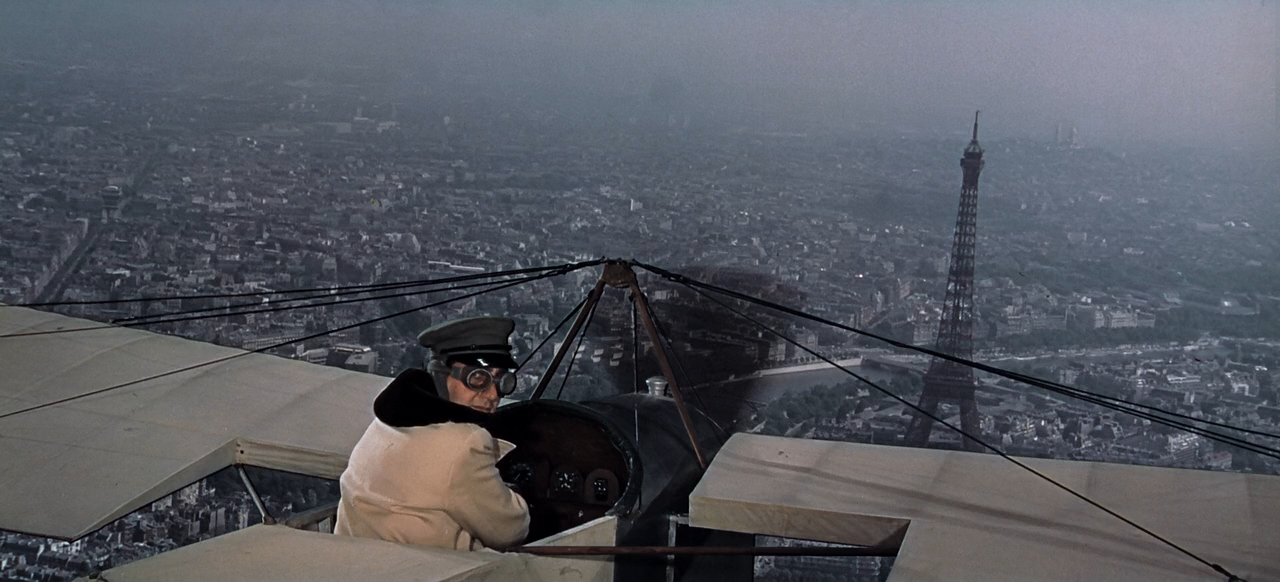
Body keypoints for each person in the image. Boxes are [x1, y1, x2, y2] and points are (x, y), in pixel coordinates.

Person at [334, 316, 530, 551]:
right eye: (478, 378)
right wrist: (515, 497)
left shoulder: (385, 423)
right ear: (440, 375)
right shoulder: (466, 443)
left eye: (501, 381)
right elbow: (510, 531)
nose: (493, 395)